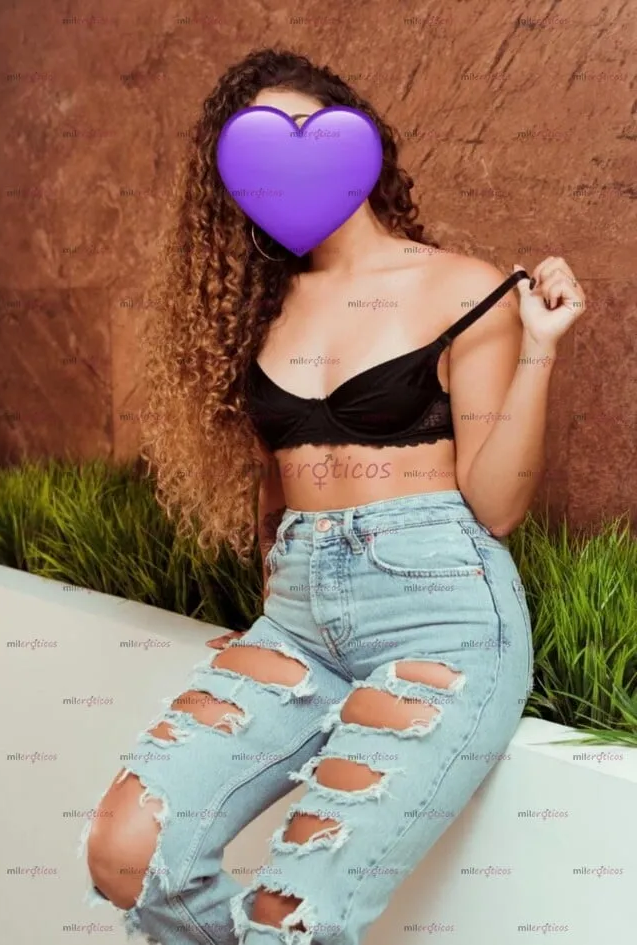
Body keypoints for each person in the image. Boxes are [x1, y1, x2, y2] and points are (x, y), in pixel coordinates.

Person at [81, 47, 586, 945]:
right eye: (261, 145)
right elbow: (277, 491)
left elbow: (497, 504)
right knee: (129, 853)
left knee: (291, 915)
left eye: (310, 130)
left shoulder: (463, 287)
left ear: (363, 139)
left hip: (440, 615)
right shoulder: (258, 311)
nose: (293, 158)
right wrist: (281, 607)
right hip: (300, 620)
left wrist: (540, 347)